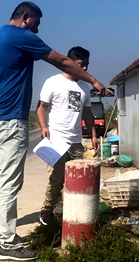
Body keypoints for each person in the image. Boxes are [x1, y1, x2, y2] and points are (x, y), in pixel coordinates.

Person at [0, 1, 108, 262]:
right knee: (9, 182)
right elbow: (61, 60)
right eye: (36, 24)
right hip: (10, 119)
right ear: (25, 17)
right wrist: (93, 80)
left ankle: (0, 235)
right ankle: (7, 244)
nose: (37, 30)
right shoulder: (20, 36)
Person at [36, 46, 99, 225]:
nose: (85, 68)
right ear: (70, 62)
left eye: (87, 64)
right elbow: (41, 107)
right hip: (56, 140)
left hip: (76, 142)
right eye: (81, 64)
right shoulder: (53, 82)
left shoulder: (84, 87)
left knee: (78, 179)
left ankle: (73, 213)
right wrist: (43, 126)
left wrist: (93, 136)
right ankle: (47, 210)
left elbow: (87, 113)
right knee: (56, 178)